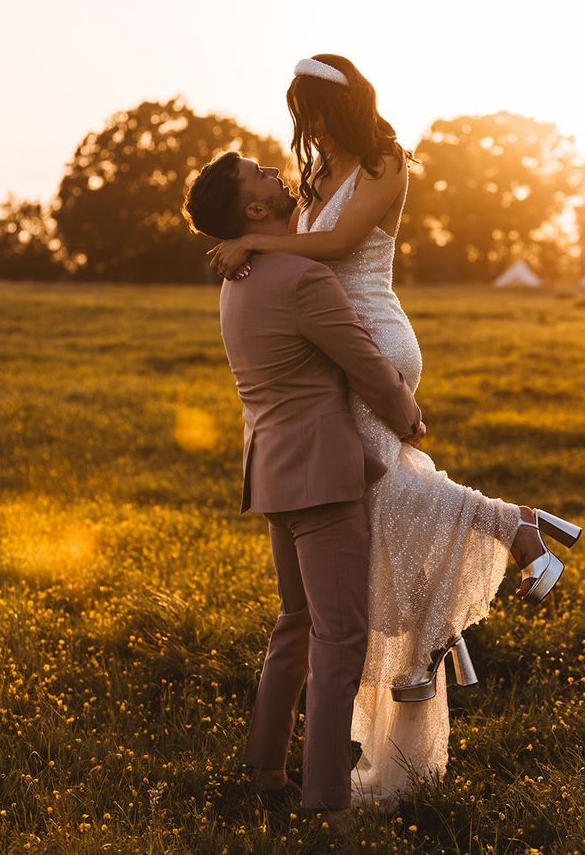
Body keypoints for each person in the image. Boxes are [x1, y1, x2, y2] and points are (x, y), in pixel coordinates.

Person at [206, 54, 583, 808]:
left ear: (337, 107)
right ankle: (463, 593)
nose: (303, 127)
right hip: (334, 340)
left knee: (374, 494)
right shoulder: (317, 176)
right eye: (298, 114)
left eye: (311, 111)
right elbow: (311, 246)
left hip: (371, 338)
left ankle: (501, 541)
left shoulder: (384, 162)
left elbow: (342, 247)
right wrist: (262, 246)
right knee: (382, 498)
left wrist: (255, 245)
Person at [181, 150, 426, 830]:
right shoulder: (300, 276)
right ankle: (328, 804)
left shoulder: (240, 276)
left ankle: (265, 766)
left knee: (294, 621)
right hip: (322, 477)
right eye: (261, 175)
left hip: (271, 471)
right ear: (254, 210)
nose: (275, 174)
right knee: (340, 637)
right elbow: (362, 358)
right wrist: (407, 414)